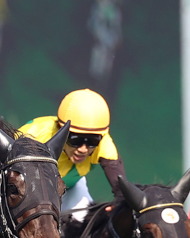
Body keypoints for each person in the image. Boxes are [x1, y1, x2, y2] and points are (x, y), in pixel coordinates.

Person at [19, 88, 127, 222]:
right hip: (30, 191)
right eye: (76, 140)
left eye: (92, 142)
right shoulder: (34, 134)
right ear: (60, 129)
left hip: (70, 188)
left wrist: (120, 203)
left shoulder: (104, 143)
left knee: (87, 227)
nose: (83, 149)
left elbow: (120, 188)